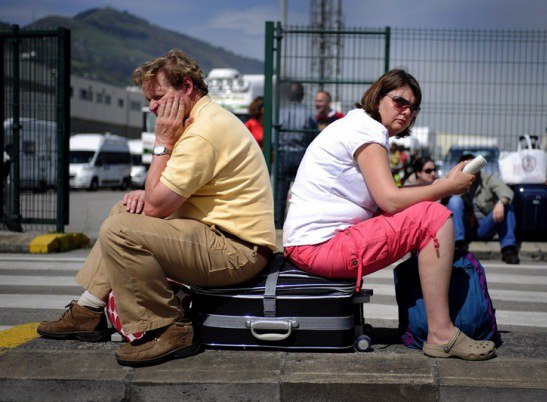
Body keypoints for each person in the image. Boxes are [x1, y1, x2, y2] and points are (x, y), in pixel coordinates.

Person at [36, 49, 277, 367]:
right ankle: (87, 312)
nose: (152, 106)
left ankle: (169, 327)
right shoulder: (198, 122)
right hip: (217, 236)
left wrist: (161, 141)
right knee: (124, 212)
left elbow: (158, 206)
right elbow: (160, 197)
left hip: (237, 250)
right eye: (149, 99)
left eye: (159, 96)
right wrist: (147, 193)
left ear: (187, 87)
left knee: (121, 231)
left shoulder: (203, 132)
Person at [283, 68, 496, 360]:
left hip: (312, 243)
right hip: (320, 246)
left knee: (427, 212)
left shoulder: (356, 125)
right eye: (399, 102)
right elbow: (391, 201)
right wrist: (444, 187)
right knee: (434, 217)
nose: (407, 112)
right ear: (378, 97)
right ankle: (441, 334)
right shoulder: (367, 130)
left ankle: (437, 327)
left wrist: (440, 186)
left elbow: (388, 203)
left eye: (413, 108)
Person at [446, 153, 520, 264]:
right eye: (468, 166)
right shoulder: (454, 181)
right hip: (464, 229)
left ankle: (508, 249)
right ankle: (458, 245)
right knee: (454, 201)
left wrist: (500, 203)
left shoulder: (487, 179)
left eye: (475, 165)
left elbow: (507, 192)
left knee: (507, 205)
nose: (473, 169)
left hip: (485, 226)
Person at [274, 82, 318, 229]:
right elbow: (313, 136)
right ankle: (299, 225)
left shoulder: (280, 112)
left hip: (283, 154)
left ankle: (278, 224)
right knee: (303, 193)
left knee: (280, 191)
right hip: (301, 155)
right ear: (303, 96)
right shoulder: (308, 114)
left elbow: (274, 137)